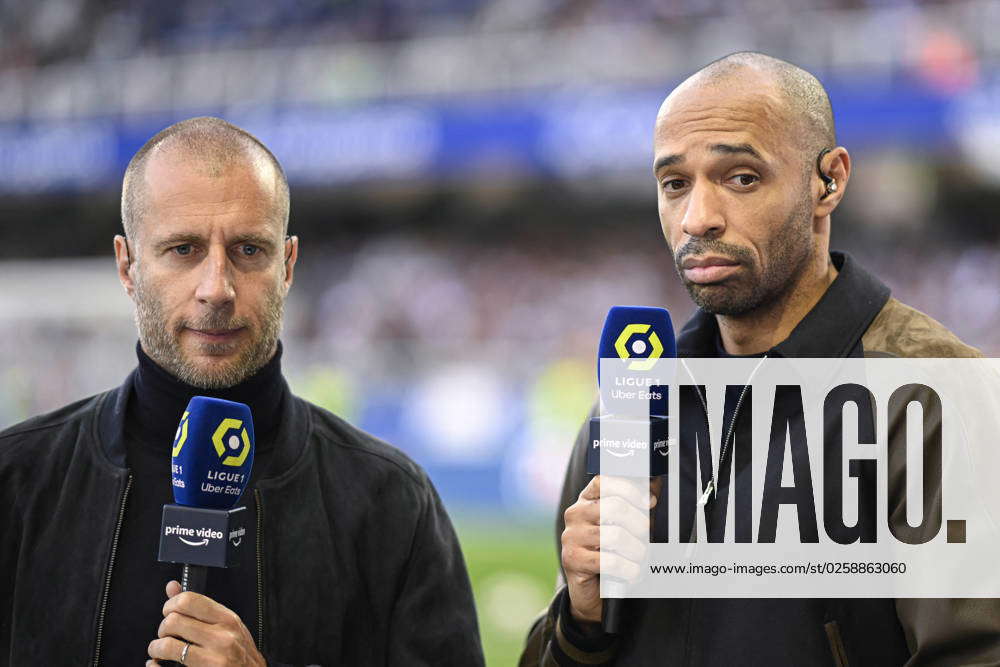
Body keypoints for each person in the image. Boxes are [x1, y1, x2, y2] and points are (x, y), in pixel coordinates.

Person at [520, 52, 999, 666]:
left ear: (829, 181)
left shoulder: (930, 397)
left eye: (741, 177)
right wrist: (583, 620)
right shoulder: (631, 408)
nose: (698, 218)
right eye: (675, 184)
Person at [0, 117, 485, 666]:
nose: (217, 288)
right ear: (127, 265)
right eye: (183, 249)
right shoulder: (17, 482)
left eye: (249, 250)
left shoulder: (393, 503)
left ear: (288, 264)